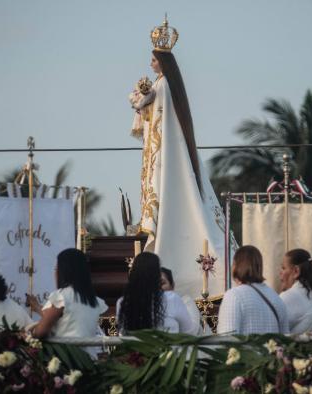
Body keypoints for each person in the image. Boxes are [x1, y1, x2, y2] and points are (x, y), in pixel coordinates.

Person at [128, 16, 230, 298]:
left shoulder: (162, 85)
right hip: (166, 154)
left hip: (166, 157)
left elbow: (143, 105)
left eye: (153, 59)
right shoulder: (164, 83)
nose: (150, 63)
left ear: (161, 60)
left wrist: (137, 97)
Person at [26, 248, 108, 344]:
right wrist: (37, 307)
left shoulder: (62, 296)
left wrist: (28, 334)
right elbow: (66, 319)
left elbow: (41, 331)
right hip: (88, 356)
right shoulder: (93, 300)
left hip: (67, 355)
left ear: (63, 271)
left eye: (56, 268)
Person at [117, 252, 197, 334]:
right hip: (167, 346)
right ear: (156, 275)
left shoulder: (122, 302)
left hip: (136, 347)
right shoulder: (171, 298)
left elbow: (122, 333)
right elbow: (189, 331)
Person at [217, 246, 289, 335]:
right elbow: (285, 338)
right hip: (271, 349)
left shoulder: (234, 296)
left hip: (244, 349)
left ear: (236, 266)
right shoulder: (276, 297)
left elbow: (226, 338)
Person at [278, 249, 312, 334]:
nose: (280, 273)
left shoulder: (288, 297)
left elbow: (275, 332)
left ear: (296, 271)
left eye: (283, 268)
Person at [161, 267, 202, 334]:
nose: (159, 288)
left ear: (172, 285)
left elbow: (192, 331)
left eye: (162, 283)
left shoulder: (185, 301)